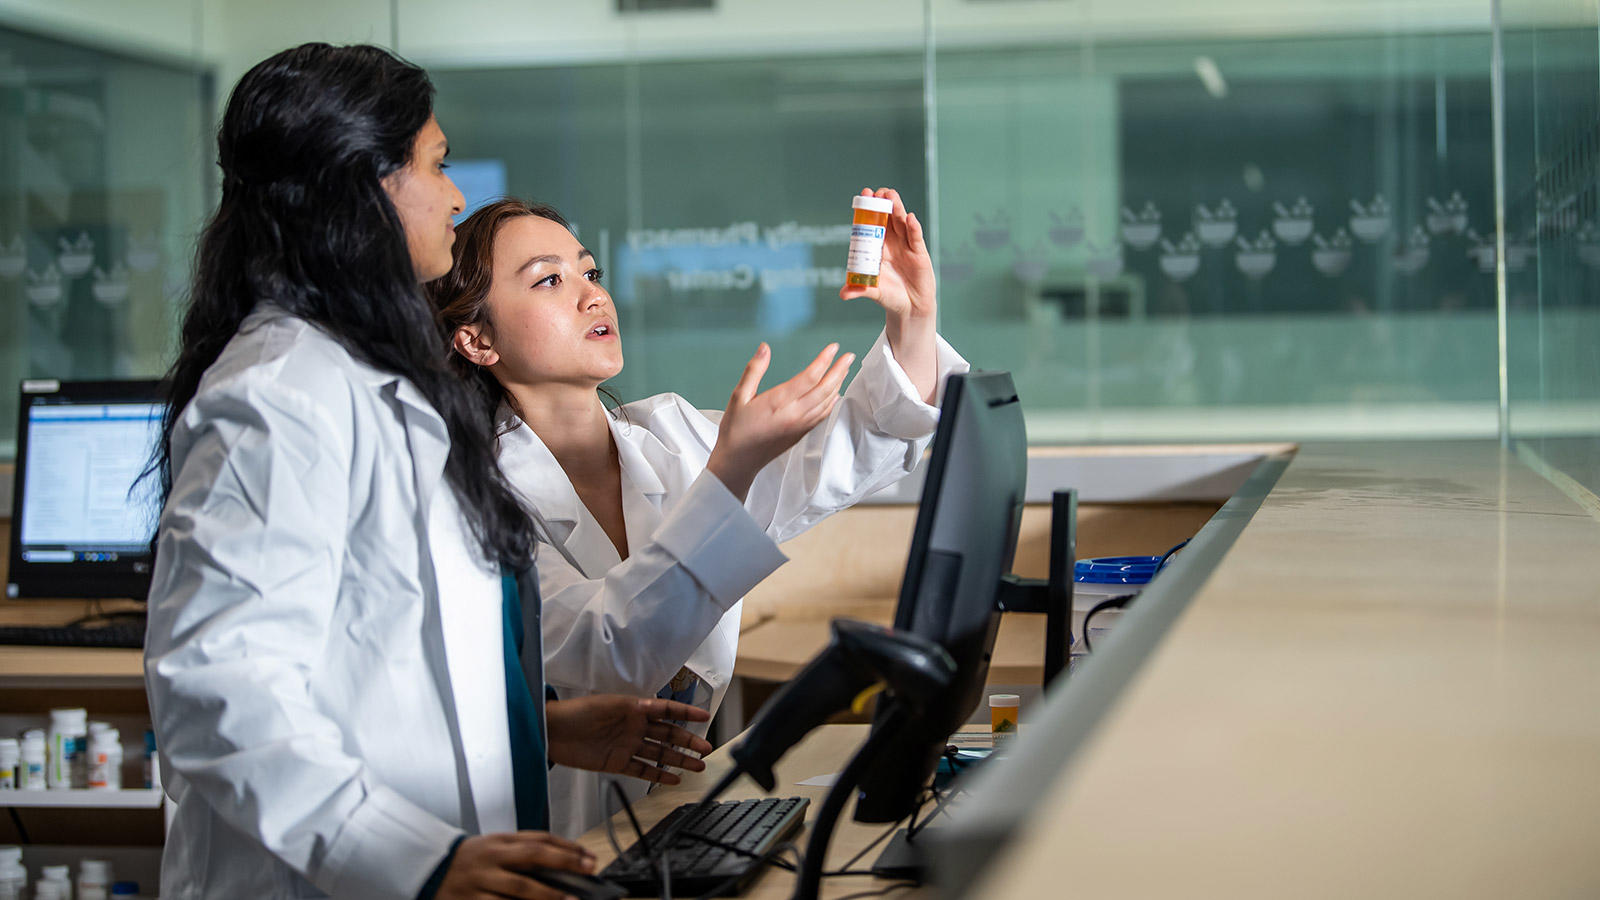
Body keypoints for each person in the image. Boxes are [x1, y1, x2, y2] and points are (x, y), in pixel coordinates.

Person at [143, 44, 709, 900]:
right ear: (366, 186)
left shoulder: (376, 381)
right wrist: (416, 859)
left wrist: (542, 731)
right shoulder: (276, 397)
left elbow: (385, 656)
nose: (454, 197)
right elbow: (219, 687)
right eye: (437, 166)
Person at [428, 191, 968, 835]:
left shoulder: (670, 434)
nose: (592, 295)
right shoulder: (468, 499)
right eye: (550, 279)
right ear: (476, 339)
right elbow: (615, 649)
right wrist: (730, 471)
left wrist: (913, 318)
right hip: (552, 844)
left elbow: (850, 453)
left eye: (590, 272)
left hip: (676, 818)